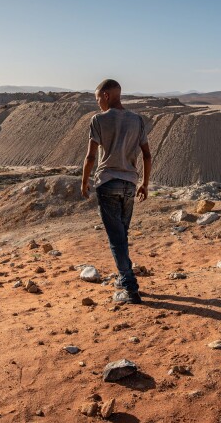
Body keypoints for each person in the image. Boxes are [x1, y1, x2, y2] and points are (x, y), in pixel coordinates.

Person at [81, 79, 152, 304]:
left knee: (116, 239)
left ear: (106, 95)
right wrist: (145, 184)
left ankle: (130, 289)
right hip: (130, 184)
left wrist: (84, 181)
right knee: (122, 235)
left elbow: (91, 156)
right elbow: (147, 155)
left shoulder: (98, 120)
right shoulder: (136, 120)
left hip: (108, 182)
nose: (98, 104)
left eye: (98, 99)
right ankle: (123, 279)